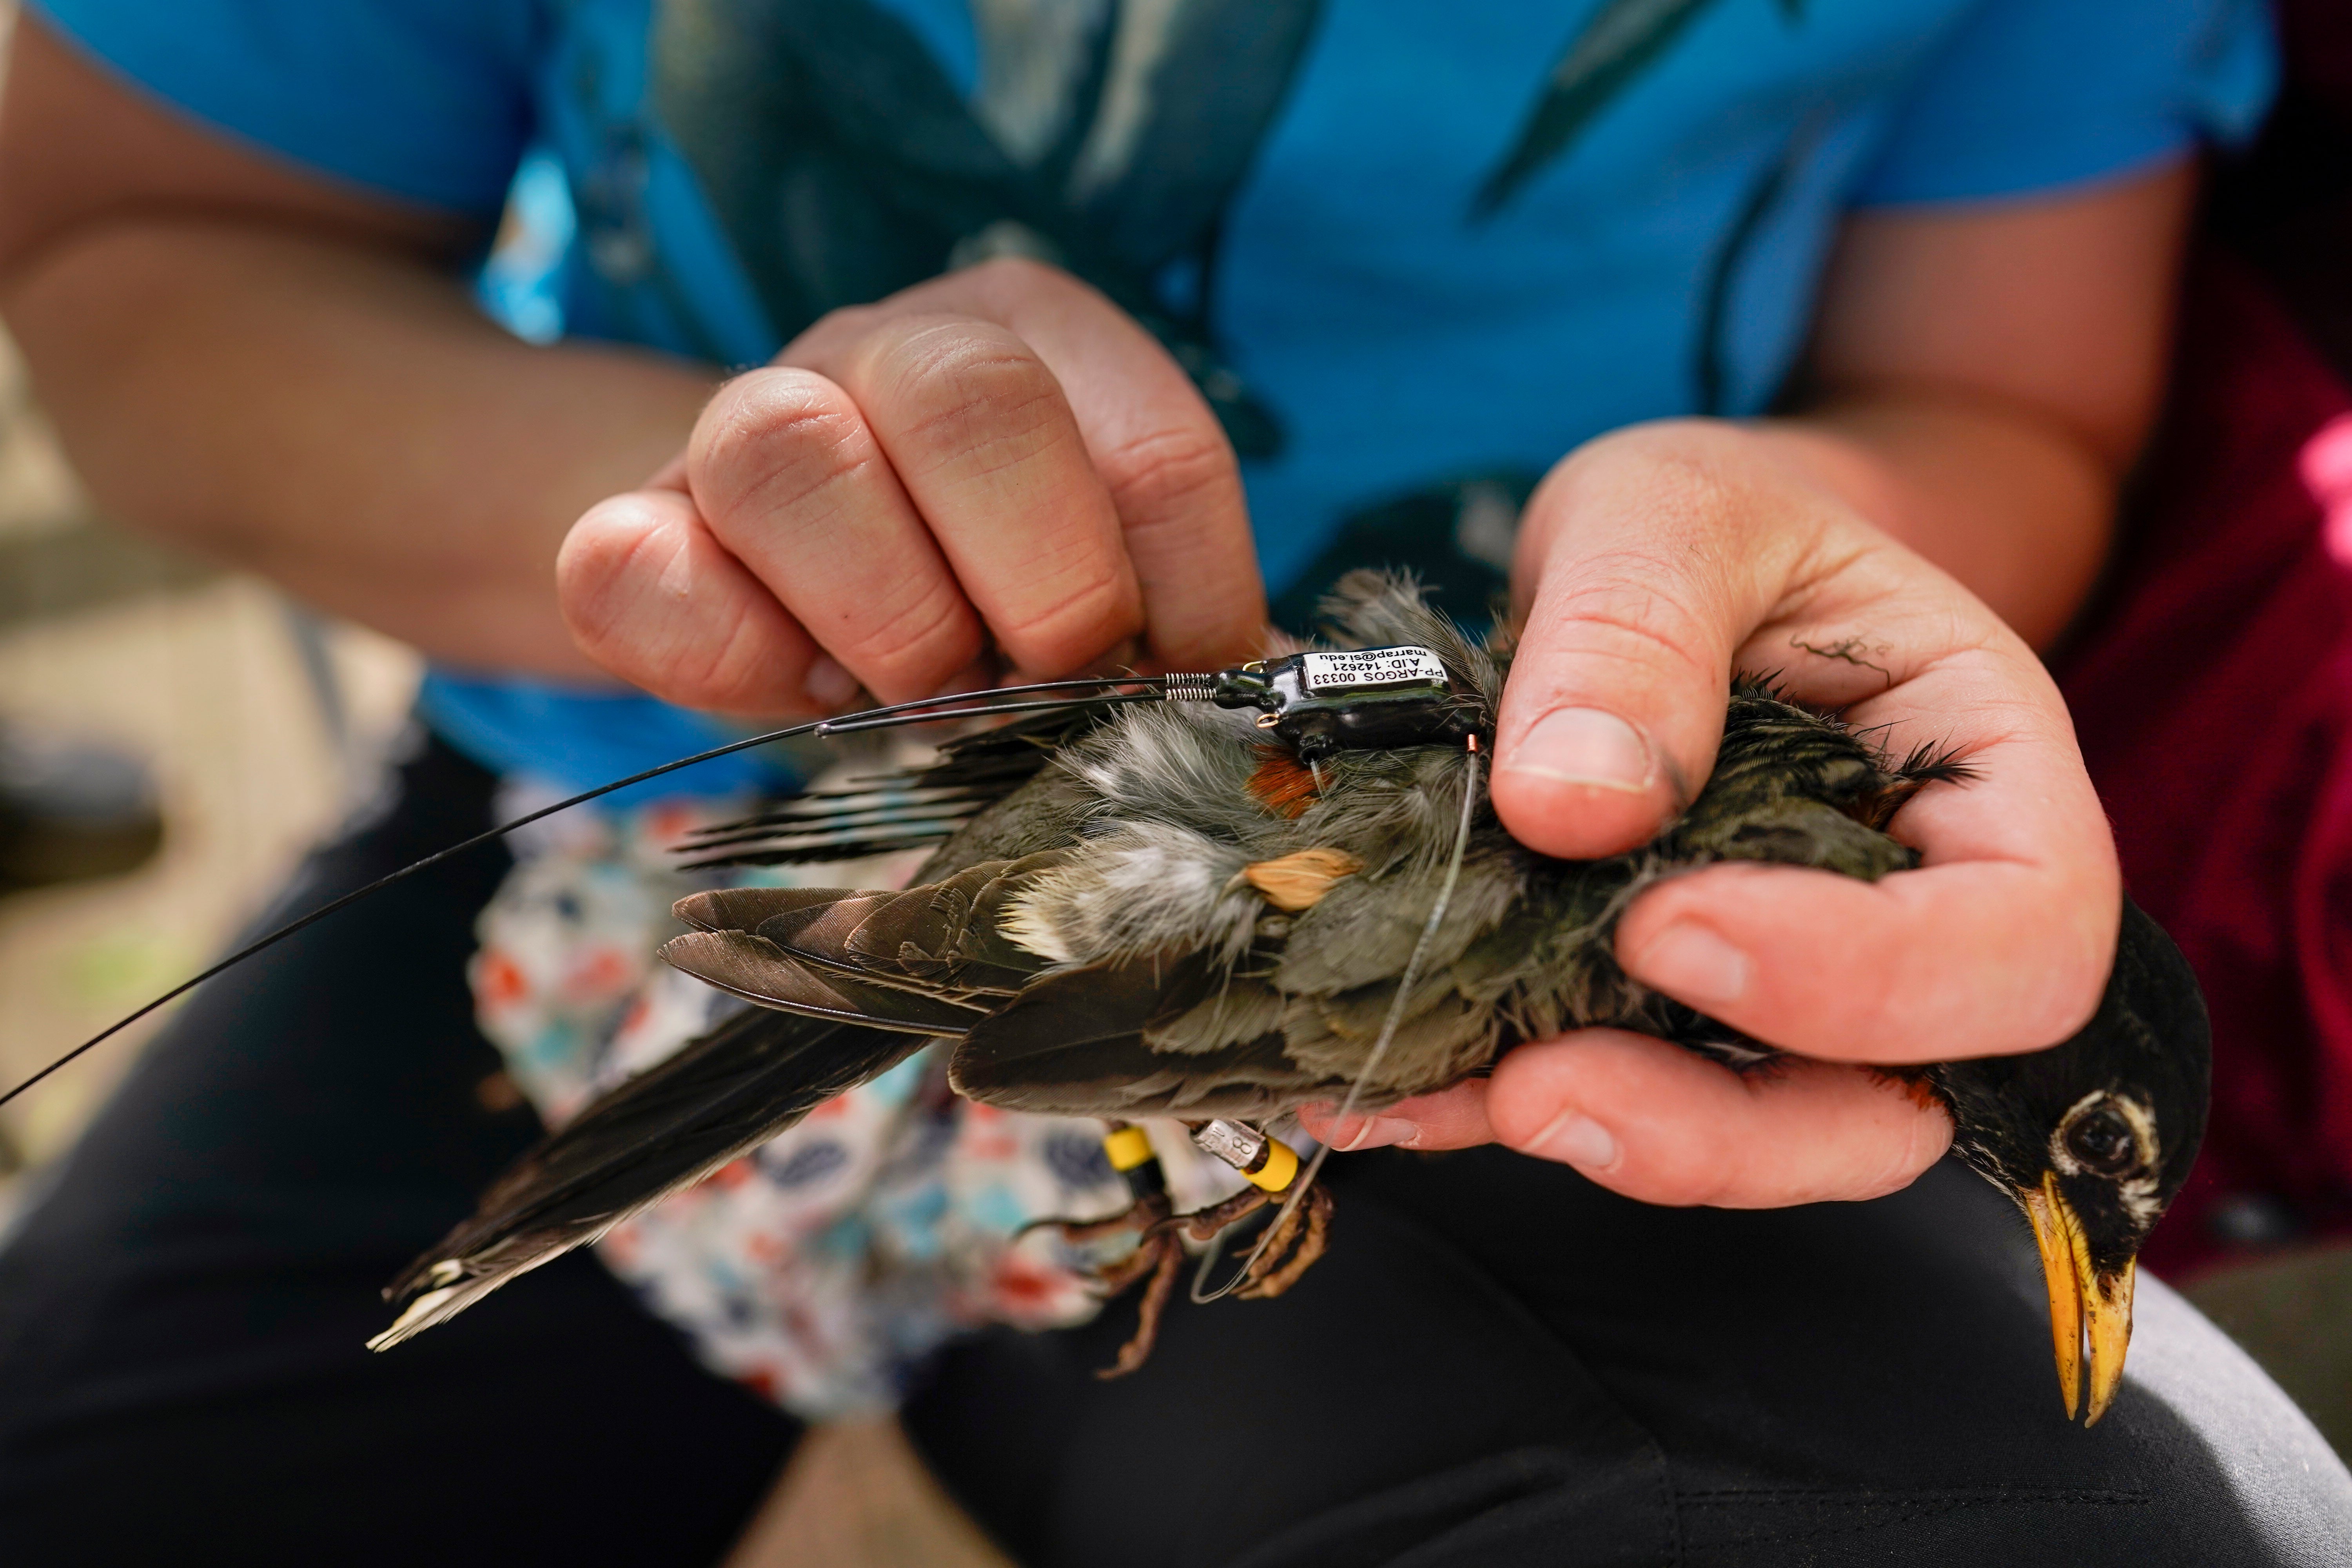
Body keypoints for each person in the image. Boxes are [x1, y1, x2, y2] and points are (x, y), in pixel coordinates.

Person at [0, 2, 2343, 1564]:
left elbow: (2010, 407)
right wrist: (739, 512)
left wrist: (1762, 555)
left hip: (1287, 982)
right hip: (612, 834)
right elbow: (140, 264)